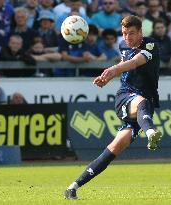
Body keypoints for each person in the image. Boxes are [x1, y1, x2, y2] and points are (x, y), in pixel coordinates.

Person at [64, 15, 162, 200]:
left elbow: (134, 62)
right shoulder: (123, 46)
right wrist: (110, 75)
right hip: (125, 97)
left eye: (131, 33)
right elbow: (125, 65)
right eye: (124, 34)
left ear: (141, 32)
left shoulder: (150, 46)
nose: (127, 38)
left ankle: (73, 186)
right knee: (142, 102)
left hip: (142, 105)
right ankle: (150, 133)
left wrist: (113, 70)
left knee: (112, 150)